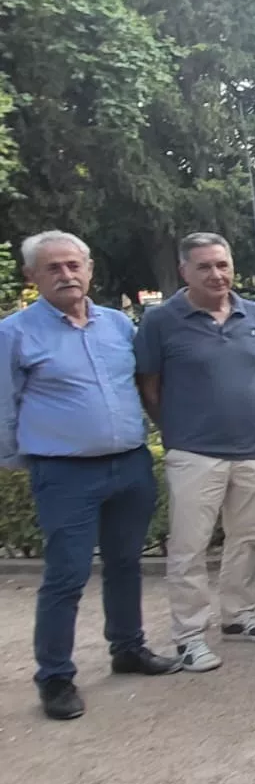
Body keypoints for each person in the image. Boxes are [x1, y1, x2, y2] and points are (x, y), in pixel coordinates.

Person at [1, 231, 180, 721]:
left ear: (89, 269)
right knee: (67, 574)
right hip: (64, 473)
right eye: (53, 267)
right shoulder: (14, 334)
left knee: (126, 563)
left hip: (129, 462)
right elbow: (3, 406)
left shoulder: (118, 325)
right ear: (32, 276)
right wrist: (23, 461)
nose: (66, 274)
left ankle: (127, 648)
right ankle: (55, 676)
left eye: (73, 265)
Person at [134, 232, 255, 673]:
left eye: (222, 264)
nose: (216, 274)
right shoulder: (162, 321)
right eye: (204, 266)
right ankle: (188, 636)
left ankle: (239, 616)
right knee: (189, 547)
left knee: (245, 538)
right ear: (184, 271)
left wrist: (250, 419)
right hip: (195, 454)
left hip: (254, 448)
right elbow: (150, 387)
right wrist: (182, 430)